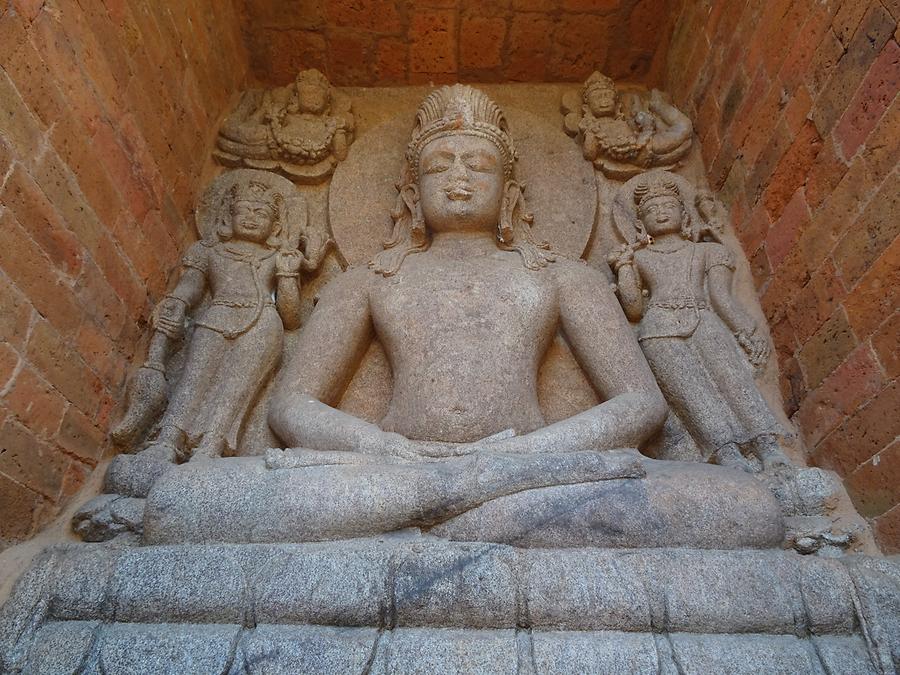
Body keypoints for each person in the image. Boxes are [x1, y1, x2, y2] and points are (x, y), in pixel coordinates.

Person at [269, 84, 667, 462]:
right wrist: (379, 447)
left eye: (478, 165)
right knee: (219, 495)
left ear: (509, 195)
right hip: (397, 470)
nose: (458, 178)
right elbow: (292, 406)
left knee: (712, 497)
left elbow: (641, 403)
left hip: (529, 469)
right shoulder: (366, 280)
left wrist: (527, 454)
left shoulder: (564, 277)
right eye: (439, 166)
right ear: (413, 197)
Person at [607, 172, 790, 472]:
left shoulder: (708, 251)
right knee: (693, 395)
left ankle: (767, 446)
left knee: (733, 380)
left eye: (668, 206)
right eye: (651, 210)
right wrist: (623, 266)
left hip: (704, 319)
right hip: (658, 331)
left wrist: (746, 330)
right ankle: (726, 454)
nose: (661, 212)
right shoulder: (639, 258)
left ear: (685, 215)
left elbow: (721, 298)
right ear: (640, 224)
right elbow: (634, 310)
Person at [136, 177, 303, 461]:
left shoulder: (278, 256)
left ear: (275, 227)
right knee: (193, 378)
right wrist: (177, 303)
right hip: (215, 317)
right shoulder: (208, 251)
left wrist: (288, 274)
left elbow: (291, 317)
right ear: (227, 216)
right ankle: (167, 439)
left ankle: (211, 446)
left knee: (236, 388)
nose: (251, 218)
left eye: (260, 213)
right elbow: (190, 286)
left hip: (260, 322)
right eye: (244, 211)